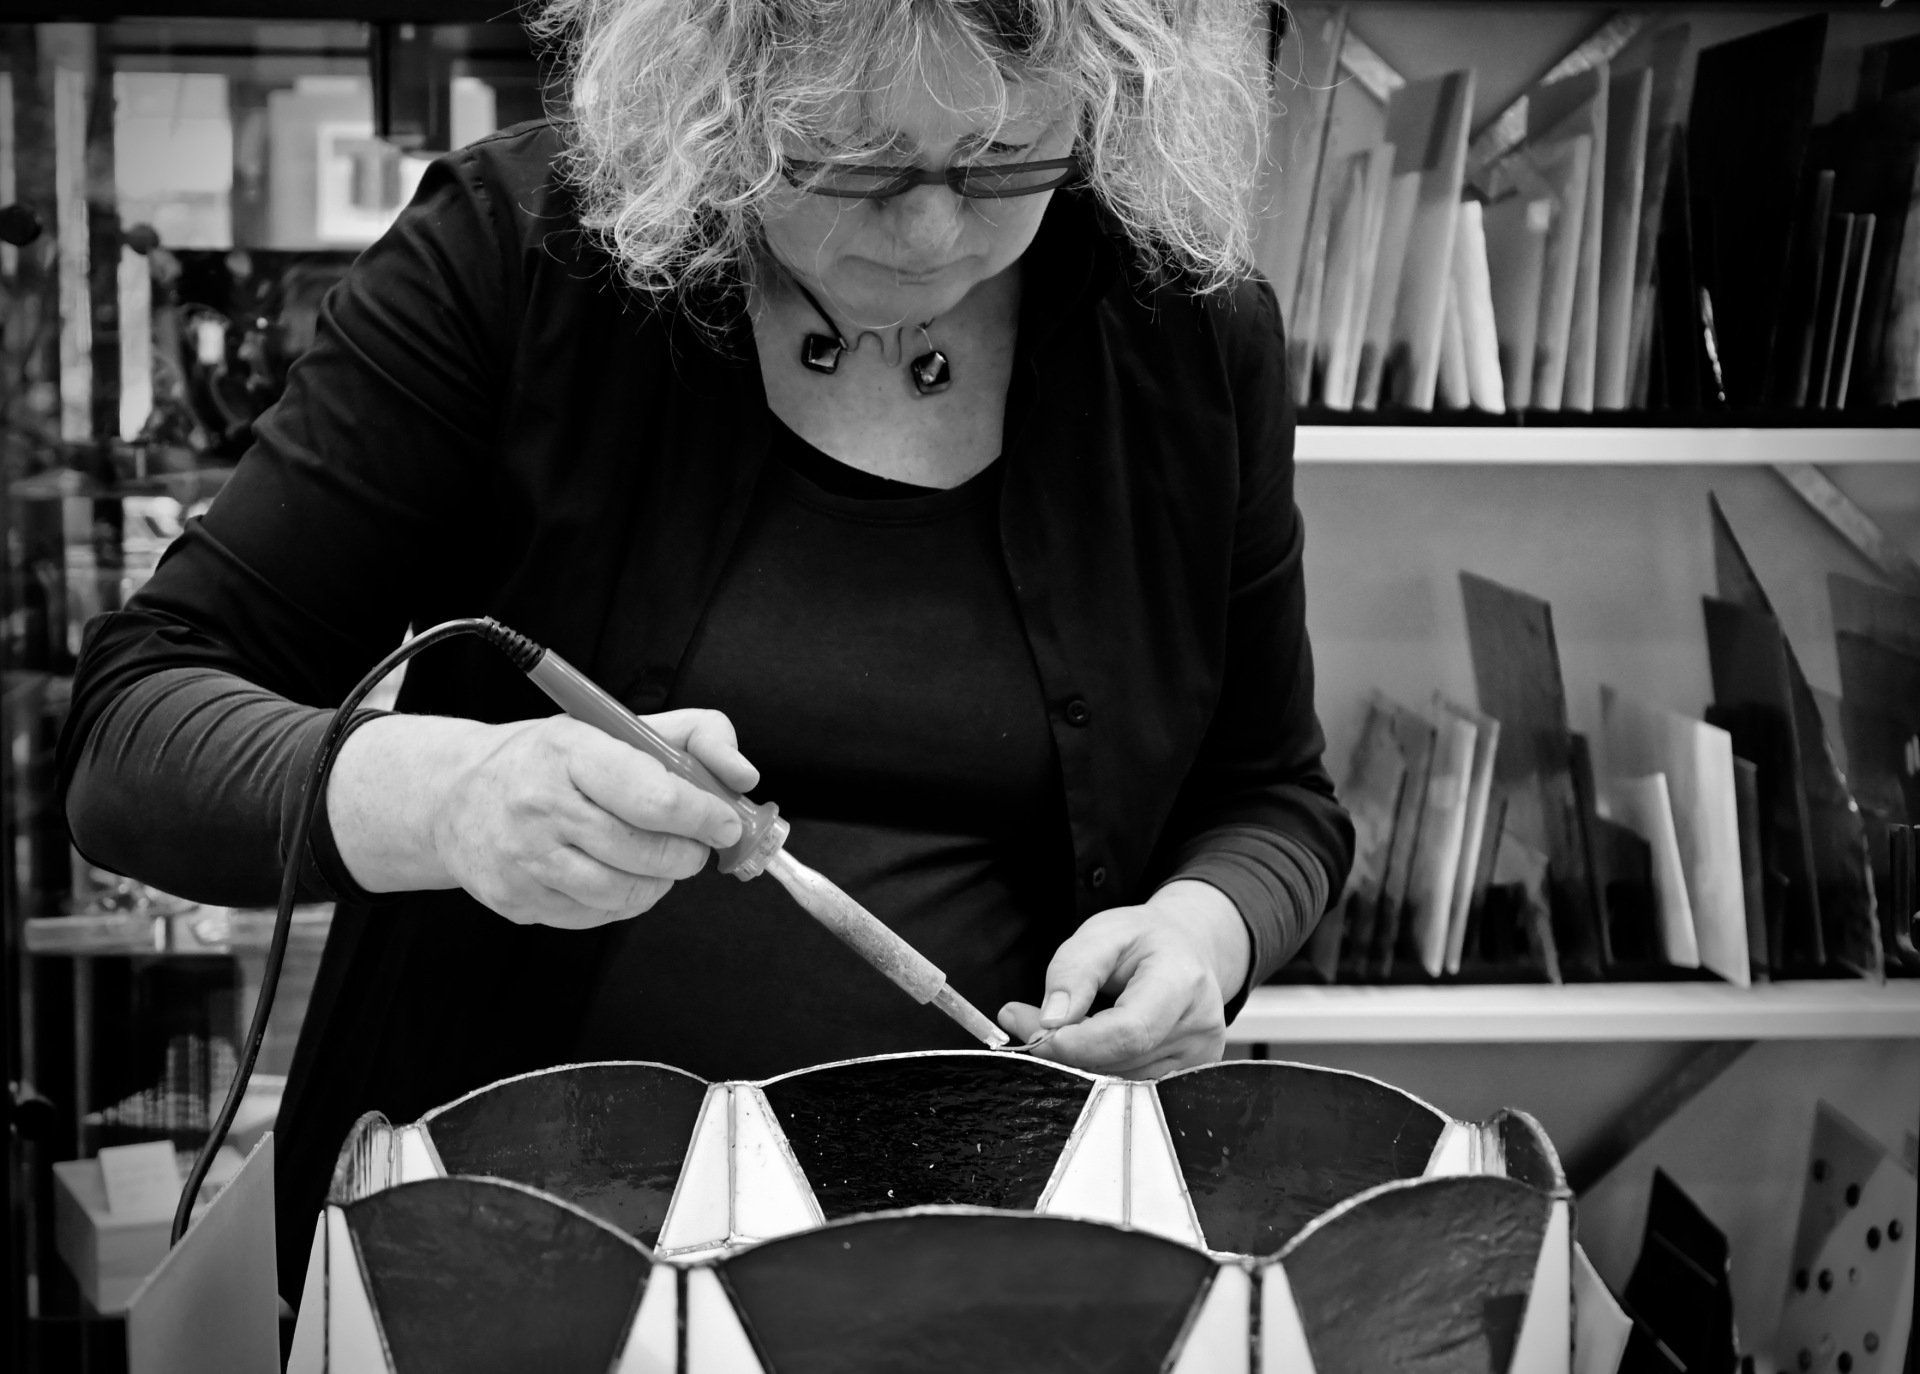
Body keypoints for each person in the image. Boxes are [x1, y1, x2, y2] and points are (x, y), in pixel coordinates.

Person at [59, 0, 1353, 1297]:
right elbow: (132, 731)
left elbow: (1274, 798)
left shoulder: (1187, 327)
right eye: (856, 159)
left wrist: (1202, 932)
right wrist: (454, 798)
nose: (930, 232)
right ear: (724, 88)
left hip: (988, 1269)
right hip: (505, 1274)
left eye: (1002, 164)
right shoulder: (518, 257)